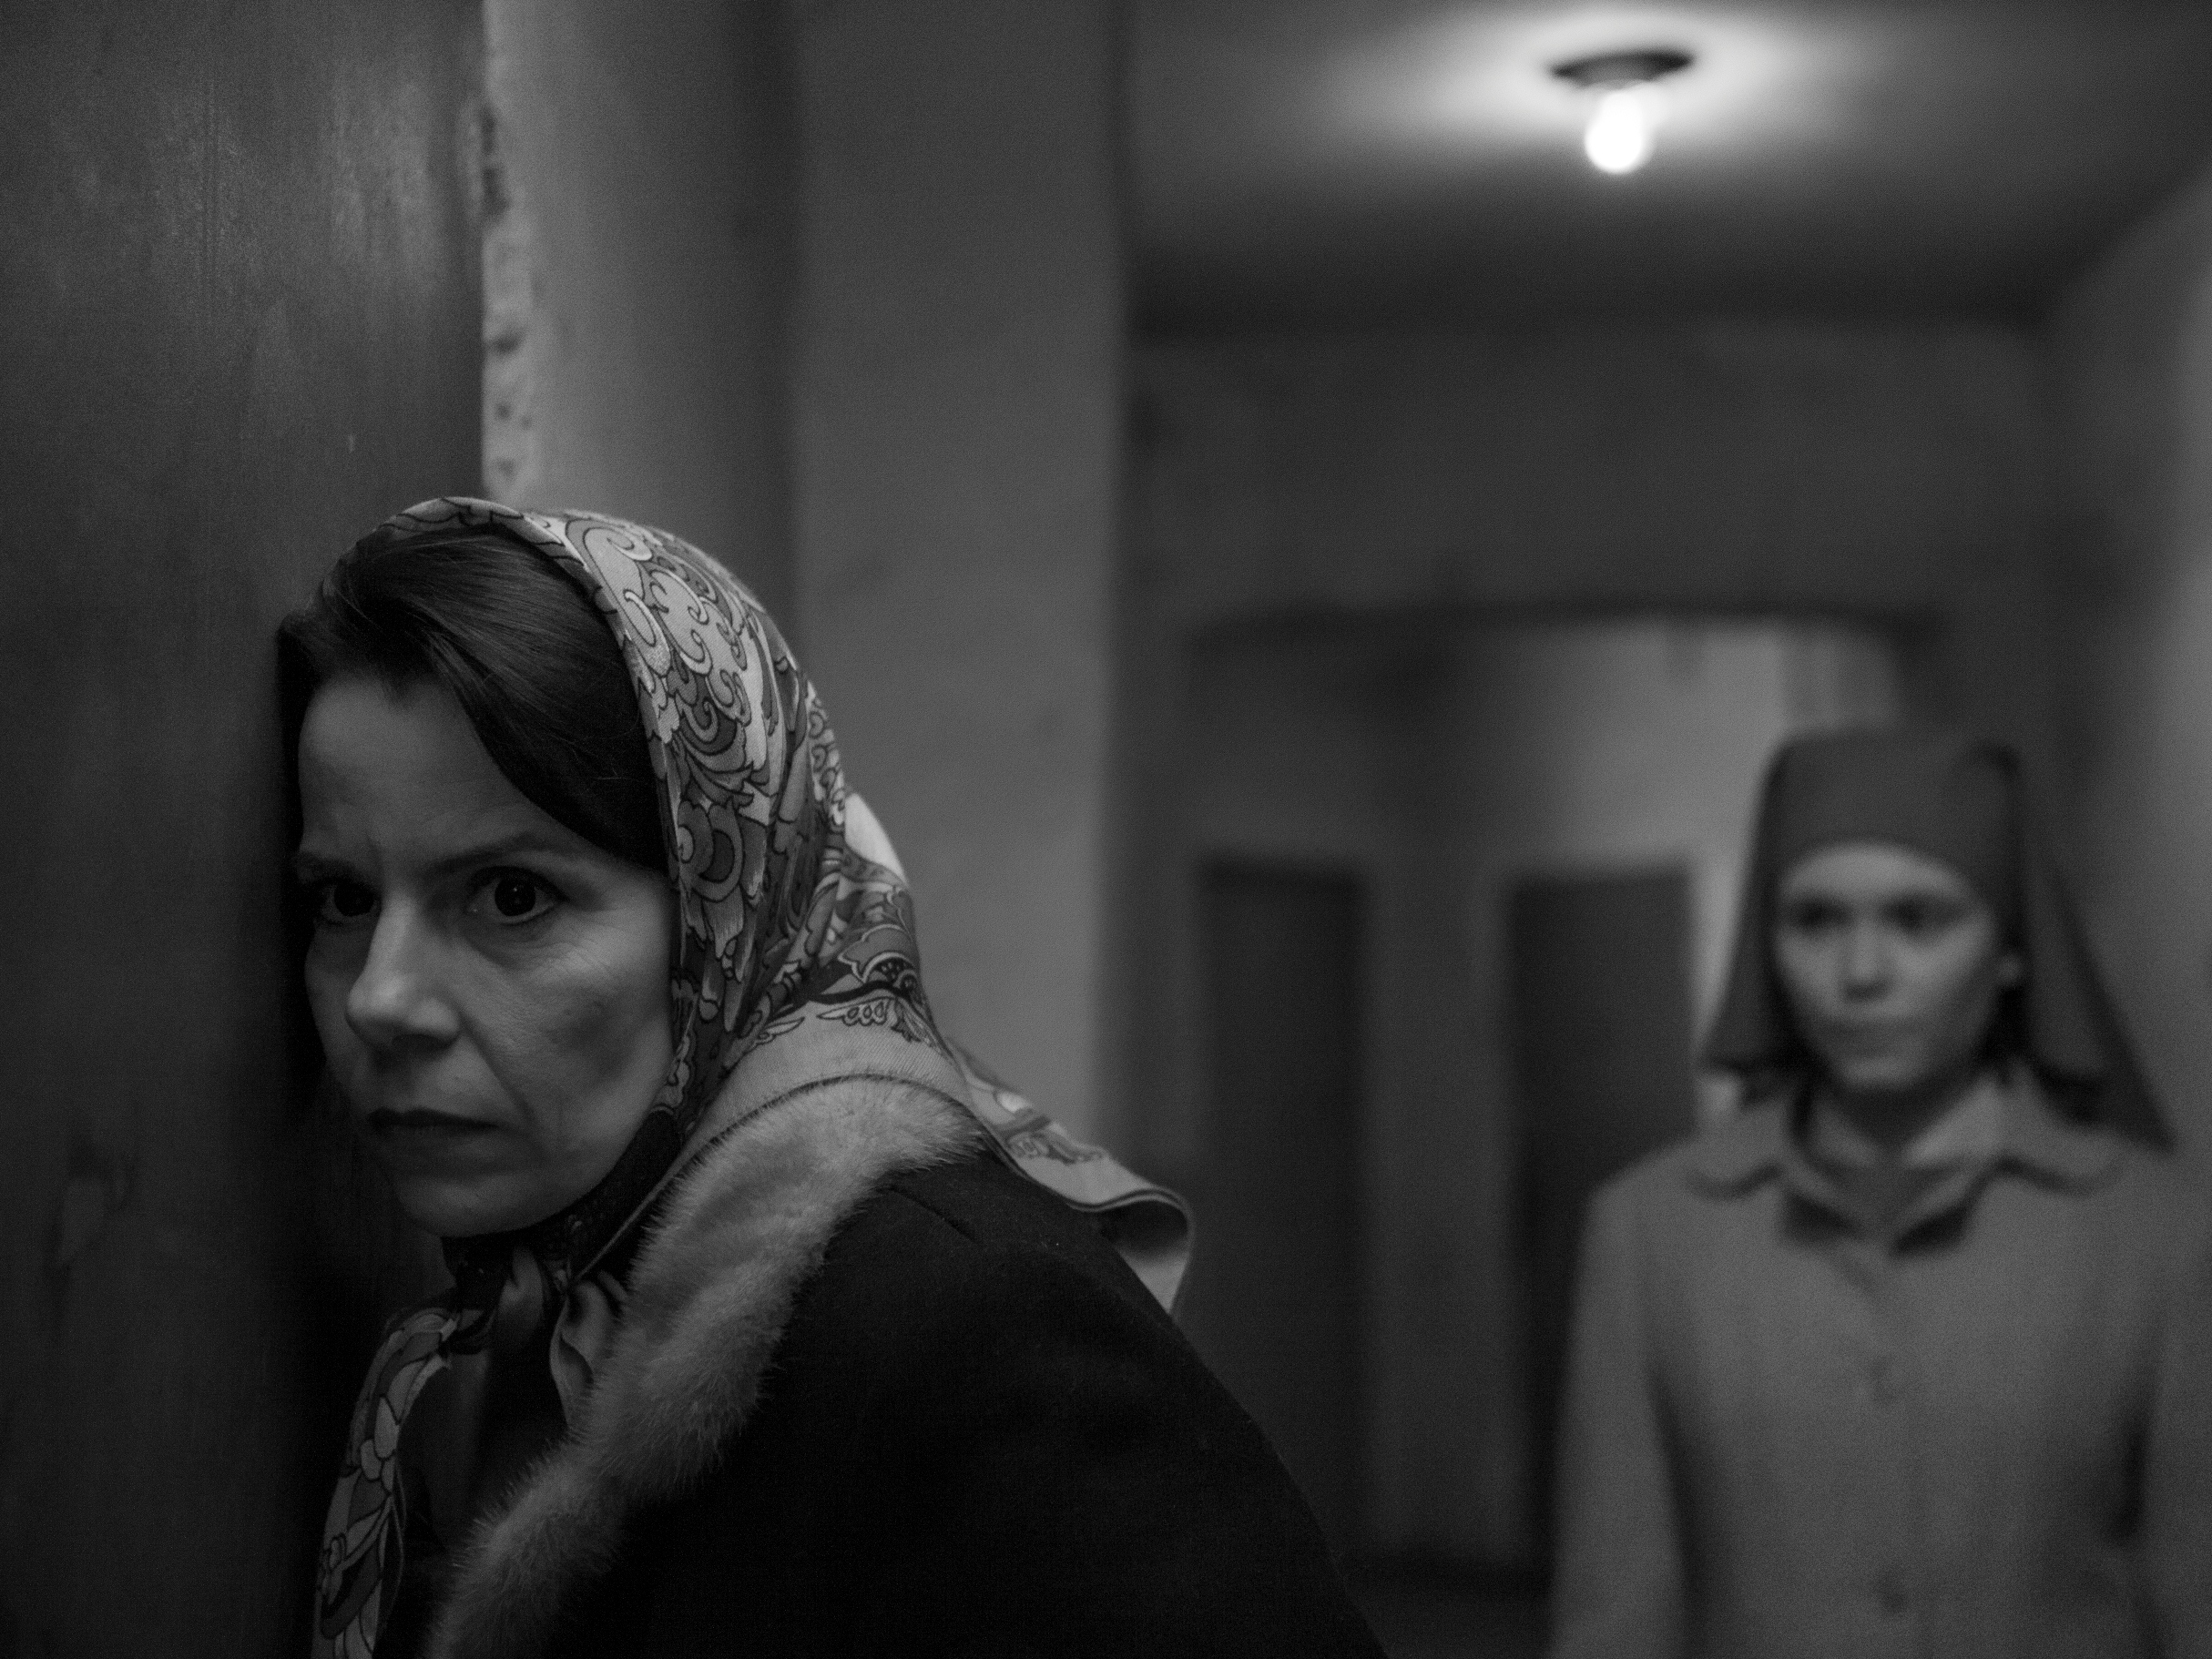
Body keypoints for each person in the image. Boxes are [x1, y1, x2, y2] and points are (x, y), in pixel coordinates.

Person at [283, 498, 1383, 1659]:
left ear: (726, 924)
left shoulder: (968, 1329)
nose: (380, 1000)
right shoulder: (548, 1301)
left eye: (513, 895)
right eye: (344, 898)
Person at [1547, 726, 2212, 1659]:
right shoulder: (1651, 1234)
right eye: (1814, 921)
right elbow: (1614, 1615)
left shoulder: (2155, 1236)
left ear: (2010, 946)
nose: (1859, 973)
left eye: (1918, 920)